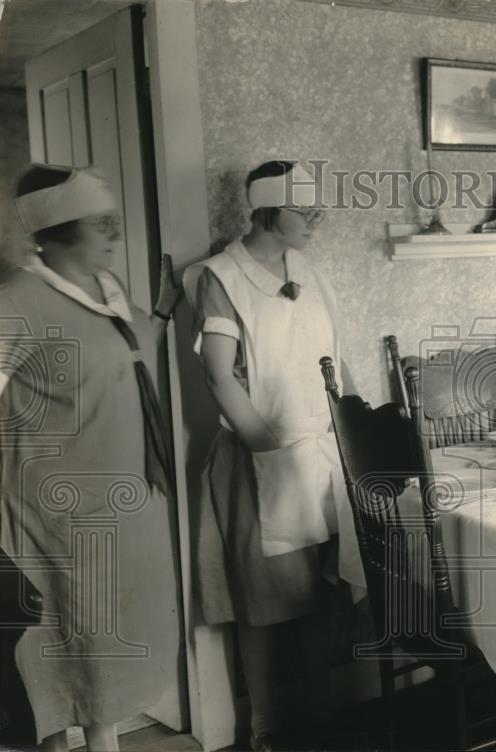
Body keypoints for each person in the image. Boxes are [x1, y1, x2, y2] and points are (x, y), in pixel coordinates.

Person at [0, 165, 182, 751]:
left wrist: (165, 308)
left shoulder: (109, 295)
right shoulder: (17, 301)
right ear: (55, 230)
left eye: (113, 221)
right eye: (99, 222)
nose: (115, 232)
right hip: (54, 516)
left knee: (103, 654)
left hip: (121, 510)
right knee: (60, 656)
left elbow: (130, 356)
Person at [183, 160, 362, 752]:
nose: (316, 218)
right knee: (264, 603)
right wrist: (270, 451)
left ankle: (320, 715)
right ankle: (265, 728)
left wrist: (348, 436)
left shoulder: (308, 270)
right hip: (261, 461)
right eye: (302, 209)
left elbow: (336, 359)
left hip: (323, 455)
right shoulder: (221, 276)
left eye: (316, 208)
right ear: (265, 210)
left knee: (320, 596)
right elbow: (219, 378)